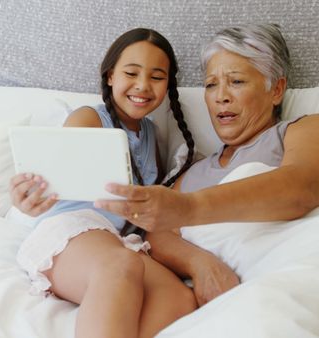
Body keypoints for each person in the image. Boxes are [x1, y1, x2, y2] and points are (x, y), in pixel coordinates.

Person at [93, 23, 319, 304]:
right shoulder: (194, 173)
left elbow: (305, 186)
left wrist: (190, 208)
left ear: (277, 89)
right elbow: (158, 231)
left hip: (308, 277)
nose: (221, 96)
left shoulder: (308, 129)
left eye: (236, 81)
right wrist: (200, 264)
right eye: (211, 85)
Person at [10, 28, 203, 338]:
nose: (143, 86)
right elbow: (49, 175)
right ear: (111, 76)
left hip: (114, 240)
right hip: (72, 231)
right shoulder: (89, 119)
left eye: (157, 77)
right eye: (131, 73)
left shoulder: (152, 135)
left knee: (178, 297)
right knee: (120, 264)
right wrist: (28, 196)